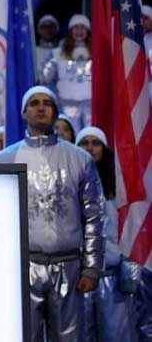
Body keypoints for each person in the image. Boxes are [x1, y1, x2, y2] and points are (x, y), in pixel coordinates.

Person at [0, 86, 104, 342]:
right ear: (24, 113)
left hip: (69, 266)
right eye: (34, 103)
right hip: (24, 266)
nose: (41, 107)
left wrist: (91, 268)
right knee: (23, 335)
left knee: (69, 338)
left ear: (56, 112)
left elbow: (93, 215)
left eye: (47, 103)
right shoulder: (5, 159)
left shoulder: (79, 158)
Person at [76, 127, 141, 342]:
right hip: (79, 278)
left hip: (112, 276)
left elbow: (129, 228)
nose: (90, 148)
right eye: (84, 143)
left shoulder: (116, 186)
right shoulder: (70, 184)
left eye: (95, 143)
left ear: (103, 148)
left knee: (116, 335)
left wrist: (130, 269)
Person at [43, 14, 92, 132]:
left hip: (91, 104)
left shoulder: (96, 50)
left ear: (88, 31)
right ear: (71, 31)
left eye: (82, 27)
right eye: (76, 28)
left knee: (89, 133)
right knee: (70, 132)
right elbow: (46, 77)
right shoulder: (58, 53)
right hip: (67, 103)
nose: (79, 31)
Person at [35, 15, 59, 83]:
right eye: (44, 27)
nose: (48, 30)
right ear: (39, 30)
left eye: (51, 26)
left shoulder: (62, 51)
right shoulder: (33, 52)